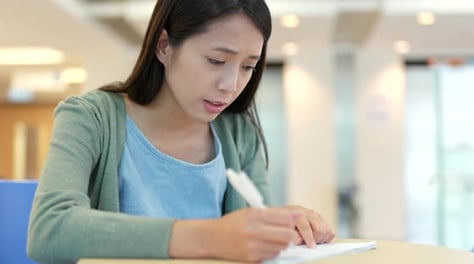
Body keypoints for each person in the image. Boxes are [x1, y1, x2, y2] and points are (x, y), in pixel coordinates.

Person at [27, 0, 335, 263]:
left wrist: (282, 226)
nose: (230, 85)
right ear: (164, 46)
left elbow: (255, 220)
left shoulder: (239, 134)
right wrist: (209, 237)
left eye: (247, 66)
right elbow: (49, 229)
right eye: (216, 60)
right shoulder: (90, 118)